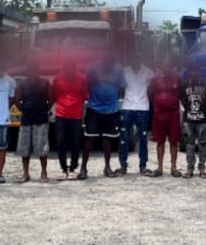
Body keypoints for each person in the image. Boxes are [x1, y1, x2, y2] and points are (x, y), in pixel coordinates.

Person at [81, 51, 124, 179]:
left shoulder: (119, 69)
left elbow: (121, 87)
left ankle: (107, 167)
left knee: (108, 139)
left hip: (111, 109)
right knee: (89, 138)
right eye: (107, 63)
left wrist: (116, 99)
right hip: (94, 108)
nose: (109, 66)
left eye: (111, 63)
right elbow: (85, 84)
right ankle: (83, 168)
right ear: (103, 60)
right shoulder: (92, 68)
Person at [15, 58, 52, 183]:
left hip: (41, 120)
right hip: (26, 120)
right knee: (24, 149)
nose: (32, 73)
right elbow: (16, 100)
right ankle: (25, 174)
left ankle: (44, 173)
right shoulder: (21, 84)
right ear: (27, 72)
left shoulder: (45, 83)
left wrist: (44, 109)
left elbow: (51, 98)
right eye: (30, 71)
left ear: (38, 71)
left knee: (42, 148)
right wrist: (25, 109)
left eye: (34, 70)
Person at [50, 56, 87, 179]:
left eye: (72, 67)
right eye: (67, 67)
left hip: (76, 115)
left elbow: (84, 95)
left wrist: (75, 104)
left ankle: (72, 168)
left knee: (75, 142)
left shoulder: (81, 78)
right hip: (61, 114)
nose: (69, 70)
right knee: (61, 142)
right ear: (64, 67)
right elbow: (54, 95)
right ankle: (63, 168)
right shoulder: (57, 78)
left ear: (75, 67)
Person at [118, 52, 152, 176]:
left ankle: (143, 166)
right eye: (132, 59)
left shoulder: (148, 72)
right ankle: (123, 166)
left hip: (143, 107)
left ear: (140, 60)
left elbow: (152, 88)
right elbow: (121, 88)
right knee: (124, 138)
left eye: (137, 59)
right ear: (129, 60)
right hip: (127, 107)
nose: (135, 62)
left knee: (143, 138)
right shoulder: (124, 71)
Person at [147, 59, 183, 177]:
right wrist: (160, 104)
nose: (166, 67)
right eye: (164, 65)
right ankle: (160, 168)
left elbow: (181, 94)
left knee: (174, 141)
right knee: (160, 141)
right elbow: (151, 94)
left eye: (169, 65)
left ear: (172, 66)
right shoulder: (155, 78)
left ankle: (173, 167)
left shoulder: (177, 78)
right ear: (161, 66)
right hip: (159, 114)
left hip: (173, 113)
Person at [179, 65, 206, 177]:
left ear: (199, 72)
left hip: (202, 120)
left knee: (203, 144)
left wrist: (204, 110)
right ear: (189, 72)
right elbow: (182, 99)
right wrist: (189, 110)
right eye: (192, 71)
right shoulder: (184, 84)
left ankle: (202, 168)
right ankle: (190, 169)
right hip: (189, 119)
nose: (194, 73)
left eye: (196, 71)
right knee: (189, 145)